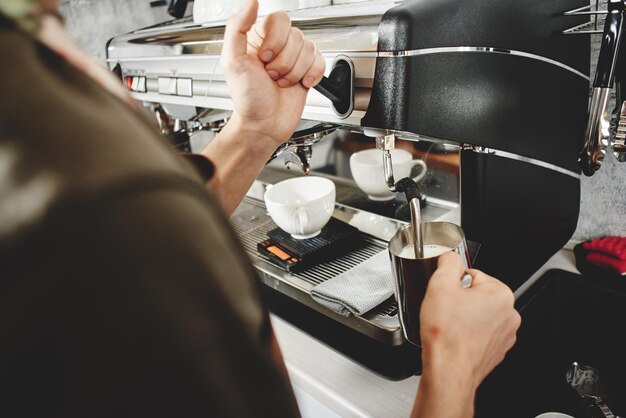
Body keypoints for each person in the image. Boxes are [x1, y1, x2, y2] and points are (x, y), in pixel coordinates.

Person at [0, 0, 520, 416]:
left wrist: (253, 132)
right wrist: (453, 372)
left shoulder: (33, 60)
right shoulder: (48, 144)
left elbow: (118, 260)